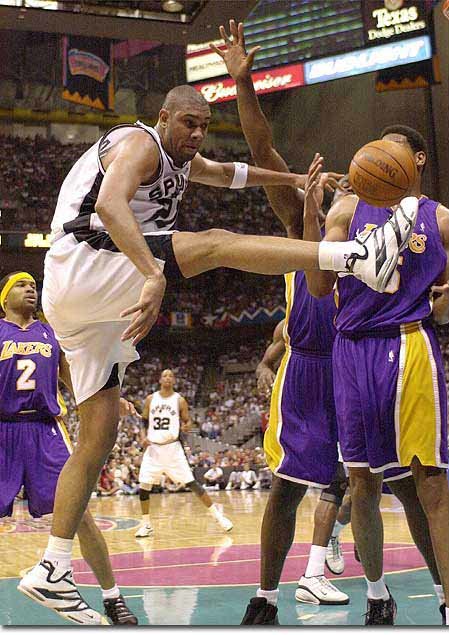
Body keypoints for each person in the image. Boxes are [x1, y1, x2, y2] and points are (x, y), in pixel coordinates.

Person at [19, 71, 417, 618]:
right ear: (163, 117)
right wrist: (151, 273)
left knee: (98, 436)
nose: (197, 134)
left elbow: (232, 175)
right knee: (216, 244)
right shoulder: (139, 143)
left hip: (84, 305)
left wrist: (296, 177)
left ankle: (52, 567)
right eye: (189, 123)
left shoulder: (183, 160)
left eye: (205, 126)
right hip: (84, 261)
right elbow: (110, 205)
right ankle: (353, 257)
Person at [214, 21, 446, 625]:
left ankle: (428, 587)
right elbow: (263, 151)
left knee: (401, 484)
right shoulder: (307, 218)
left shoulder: (402, 225)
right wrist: (243, 85)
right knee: (289, 486)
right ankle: (266, 597)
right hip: (312, 367)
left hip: (366, 357)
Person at [311, 124, 449, 625]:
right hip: (352, 350)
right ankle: (375, 595)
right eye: (376, 149)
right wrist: (311, 217)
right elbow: (319, 285)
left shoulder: (439, 218)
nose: (381, 155)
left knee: (430, 482)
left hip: (410, 343)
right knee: (361, 481)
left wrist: (446, 300)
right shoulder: (347, 210)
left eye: (393, 149)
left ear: (417, 159)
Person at [0, 272, 137, 625]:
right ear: (4, 296)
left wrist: (110, 399)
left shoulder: (51, 333)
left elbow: (74, 379)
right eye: (21, 285)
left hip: (46, 430)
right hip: (3, 427)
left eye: (33, 285)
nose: (30, 289)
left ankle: (112, 597)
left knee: (80, 515)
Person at [134, 368, 232, 537]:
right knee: (144, 487)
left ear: (174, 380)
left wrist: (187, 426)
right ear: (160, 380)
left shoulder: (179, 400)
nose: (167, 378)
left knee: (192, 483)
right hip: (153, 448)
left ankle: (219, 517)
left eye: (170, 376)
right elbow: (143, 421)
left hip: (173, 448)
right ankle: (146, 524)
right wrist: (143, 437)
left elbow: (188, 421)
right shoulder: (151, 399)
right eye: (164, 375)